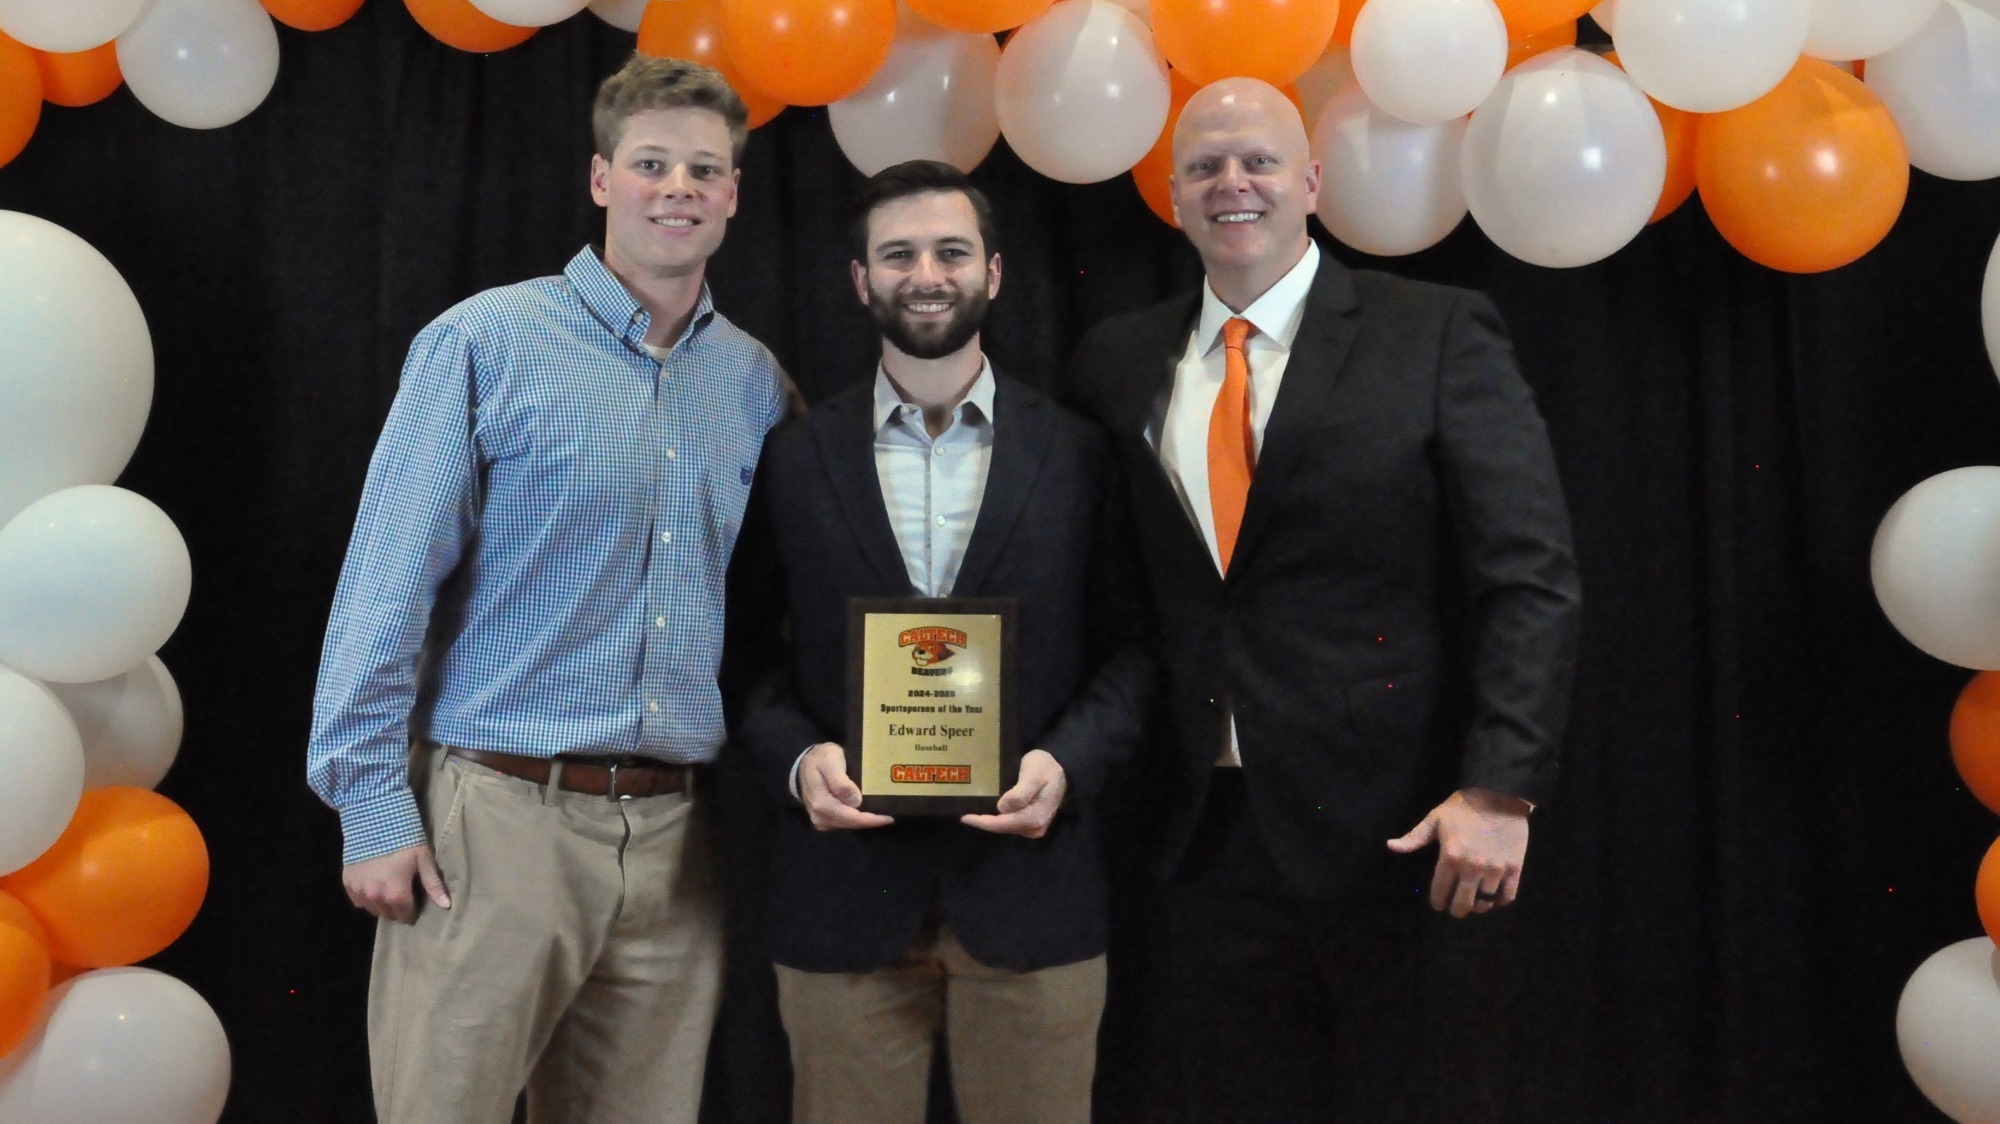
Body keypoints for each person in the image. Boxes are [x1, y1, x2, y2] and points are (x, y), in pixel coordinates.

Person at [1068, 78, 1582, 1121]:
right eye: (1204, 165)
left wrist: (1498, 788)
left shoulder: (1433, 331)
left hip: (1405, 836)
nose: (1231, 182)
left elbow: (1527, 573)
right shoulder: (1114, 360)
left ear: (1309, 181)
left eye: (1256, 160)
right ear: (1171, 197)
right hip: (1196, 841)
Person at [305, 54, 787, 1124]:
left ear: (733, 194)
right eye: (651, 162)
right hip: (497, 822)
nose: (679, 187)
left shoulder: (753, 383)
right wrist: (370, 803)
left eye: (703, 170)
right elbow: (385, 584)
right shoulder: (485, 343)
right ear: (601, 178)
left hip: (677, 846)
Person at [735, 159, 1152, 1124]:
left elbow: (1135, 648)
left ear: (994, 274)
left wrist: (1070, 762)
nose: (927, 273)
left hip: (1031, 890)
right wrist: (800, 763)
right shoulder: (794, 458)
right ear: (861, 280)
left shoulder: (1079, 453)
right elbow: (743, 652)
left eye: (951, 251)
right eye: (899, 254)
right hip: (841, 896)